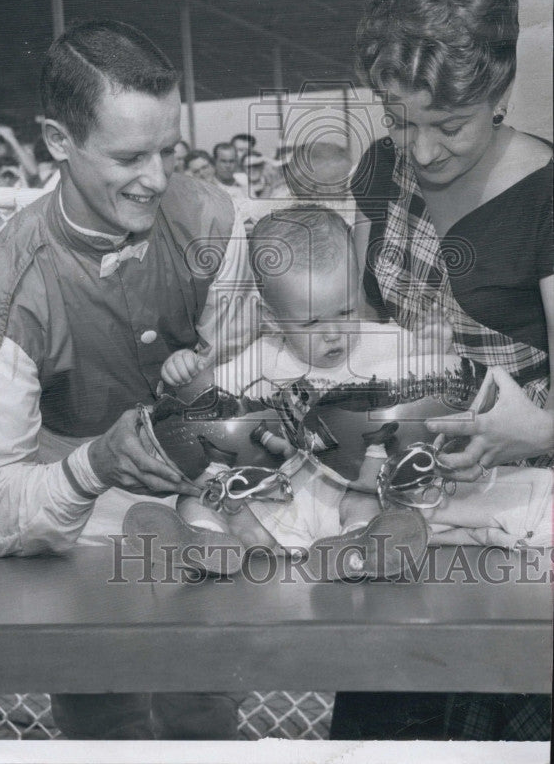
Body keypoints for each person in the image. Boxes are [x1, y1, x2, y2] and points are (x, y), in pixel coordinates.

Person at [0, 19, 254, 741]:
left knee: (204, 714)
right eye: (129, 156)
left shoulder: (215, 218)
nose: (156, 179)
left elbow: (241, 388)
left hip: (197, 506)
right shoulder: (3, 286)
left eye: (167, 151)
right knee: (101, 721)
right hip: (66, 518)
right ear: (58, 140)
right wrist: (94, 466)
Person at [331, 0, 553, 741]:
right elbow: (358, 334)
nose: (420, 151)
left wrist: (537, 429)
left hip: (520, 550)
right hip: (401, 524)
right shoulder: (382, 173)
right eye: (400, 120)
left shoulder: (544, 200)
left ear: (499, 88)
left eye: (448, 124)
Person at [130, 207, 551, 576]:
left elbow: (429, 381)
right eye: (311, 323)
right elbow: (210, 409)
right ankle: (198, 541)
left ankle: (364, 545)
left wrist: (434, 348)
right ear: (271, 319)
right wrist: (181, 377)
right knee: (207, 496)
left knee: (370, 501)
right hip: (280, 496)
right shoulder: (259, 358)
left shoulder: (382, 340)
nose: (335, 334)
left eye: (346, 311)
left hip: (354, 490)